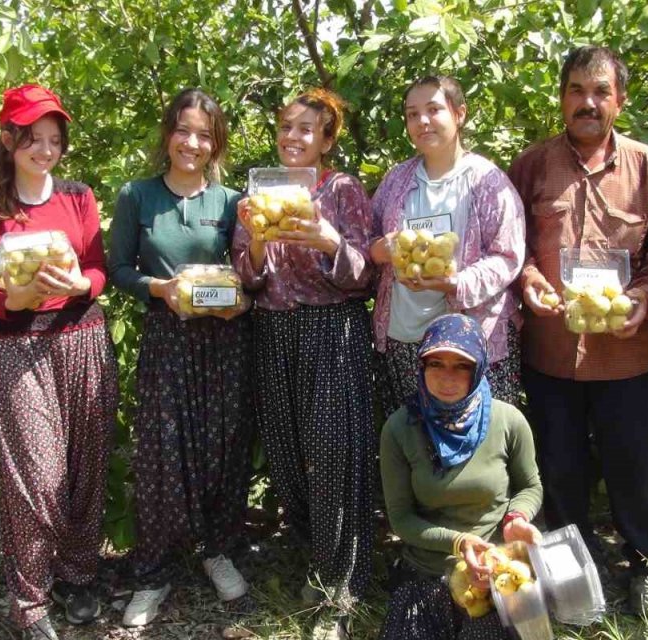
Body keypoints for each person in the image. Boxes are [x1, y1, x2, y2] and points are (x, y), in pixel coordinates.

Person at [509, 46, 648, 612]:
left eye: (601, 91)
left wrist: (644, 296)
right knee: (558, 471)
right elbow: (512, 247)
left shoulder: (646, 165)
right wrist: (530, 276)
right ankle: (570, 577)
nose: (589, 102)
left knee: (636, 467)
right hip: (551, 351)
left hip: (625, 352)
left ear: (620, 99)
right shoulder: (532, 165)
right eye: (578, 90)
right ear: (561, 97)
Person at [0, 84, 116, 639]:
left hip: (82, 337)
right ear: (8, 139)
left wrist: (80, 284)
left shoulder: (78, 197)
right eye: (32, 139)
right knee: (35, 477)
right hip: (20, 346)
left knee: (84, 469)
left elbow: (98, 269)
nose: (45, 150)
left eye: (54, 140)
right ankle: (30, 597)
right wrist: (9, 301)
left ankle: (78, 576)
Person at [230, 88, 374, 640]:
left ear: (327, 139)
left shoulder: (341, 190)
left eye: (307, 129)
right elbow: (246, 275)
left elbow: (363, 272)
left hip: (331, 330)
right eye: (286, 126)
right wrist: (261, 242)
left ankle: (345, 585)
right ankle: (319, 557)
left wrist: (326, 237)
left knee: (336, 456)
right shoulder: (261, 191)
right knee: (288, 454)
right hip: (273, 330)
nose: (293, 137)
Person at [107, 88, 252, 628]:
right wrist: (158, 289)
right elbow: (117, 268)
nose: (192, 142)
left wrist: (242, 301)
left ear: (216, 143)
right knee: (162, 457)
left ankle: (218, 552)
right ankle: (153, 573)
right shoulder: (137, 197)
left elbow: (250, 273)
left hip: (224, 342)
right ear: (168, 133)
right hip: (167, 340)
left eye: (204, 134)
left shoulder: (234, 202)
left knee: (222, 449)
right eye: (183, 130)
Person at [368, 75, 526, 419]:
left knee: (476, 443)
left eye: (433, 110)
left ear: (460, 114)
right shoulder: (397, 180)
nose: (422, 121)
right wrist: (379, 250)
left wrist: (456, 282)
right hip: (404, 338)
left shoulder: (487, 181)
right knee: (416, 443)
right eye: (412, 114)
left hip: (467, 342)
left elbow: (508, 257)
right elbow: (368, 240)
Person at [379, 314, 542, 640]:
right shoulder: (400, 428)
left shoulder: (507, 420)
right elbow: (401, 519)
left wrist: (516, 517)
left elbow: (530, 486)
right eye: (435, 363)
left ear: (479, 367)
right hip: (429, 570)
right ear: (421, 366)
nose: (446, 377)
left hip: (496, 569)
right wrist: (458, 541)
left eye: (462, 366)